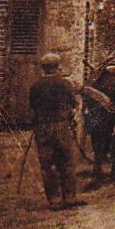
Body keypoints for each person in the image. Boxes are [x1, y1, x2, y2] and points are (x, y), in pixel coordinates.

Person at [27, 53, 86, 210]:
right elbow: (73, 105)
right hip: (62, 127)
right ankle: (70, 198)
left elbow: (32, 108)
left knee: (47, 165)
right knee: (66, 162)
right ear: (57, 66)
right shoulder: (65, 84)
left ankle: (54, 200)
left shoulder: (35, 87)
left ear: (43, 69)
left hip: (43, 129)